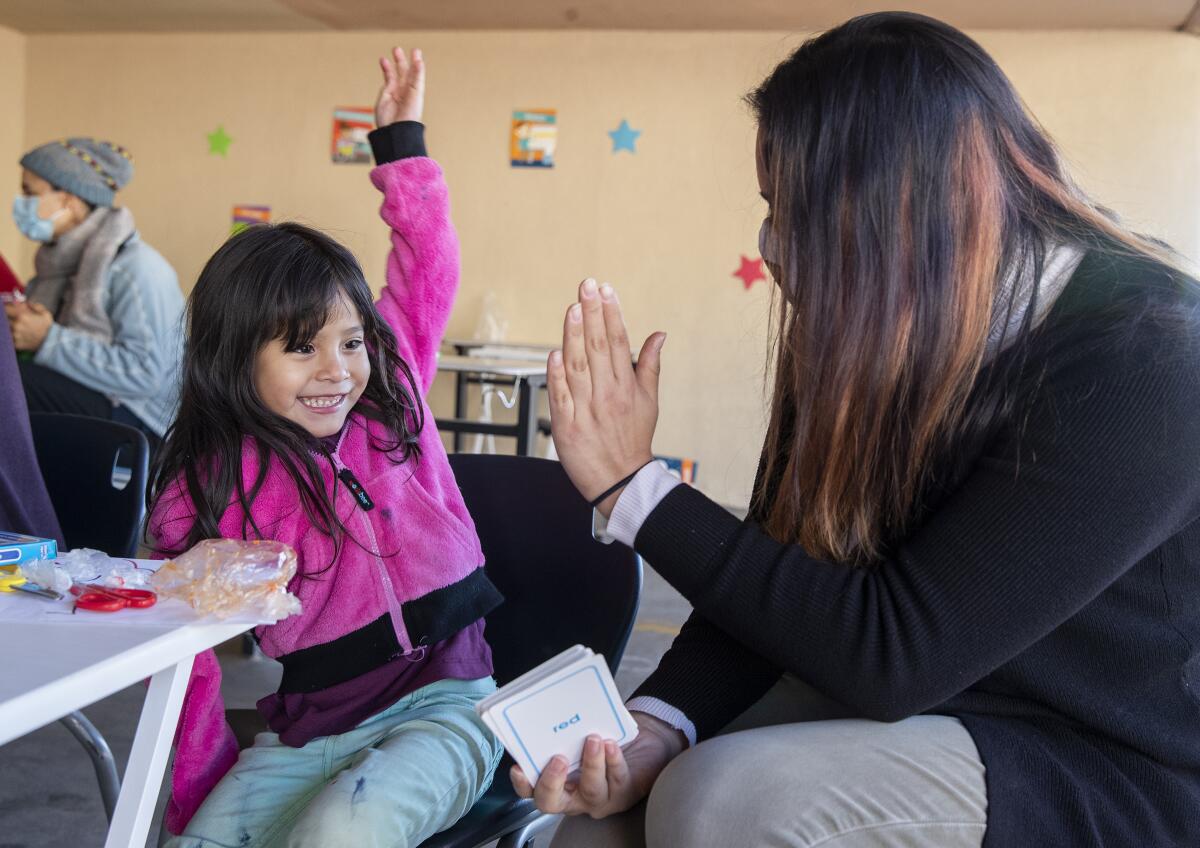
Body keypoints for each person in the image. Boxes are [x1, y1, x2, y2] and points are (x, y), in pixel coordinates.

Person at [519, 12, 1200, 848]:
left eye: (793, 211)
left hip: (1096, 755)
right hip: (932, 693)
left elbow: (897, 652)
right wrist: (659, 725)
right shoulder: (871, 335)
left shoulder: (1152, 362)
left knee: (724, 803)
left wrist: (639, 491)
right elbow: (782, 571)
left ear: (892, 207)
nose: (772, 246)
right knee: (600, 825)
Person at [150, 48, 504, 847]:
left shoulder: (392, 396)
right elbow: (191, 669)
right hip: (310, 728)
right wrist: (198, 794)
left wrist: (402, 150)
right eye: (302, 349)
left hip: (450, 700)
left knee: (340, 832)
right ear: (237, 354)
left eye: (350, 342)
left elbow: (426, 267)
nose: (337, 372)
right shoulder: (204, 490)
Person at [7, 136, 182, 449]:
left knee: (9, 380)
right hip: (94, 396)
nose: (20, 202)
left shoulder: (135, 269)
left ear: (70, 202)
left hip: (142, 420)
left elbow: (145, 374)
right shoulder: (55, 266)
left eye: (30, 193)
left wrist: (48, 339)